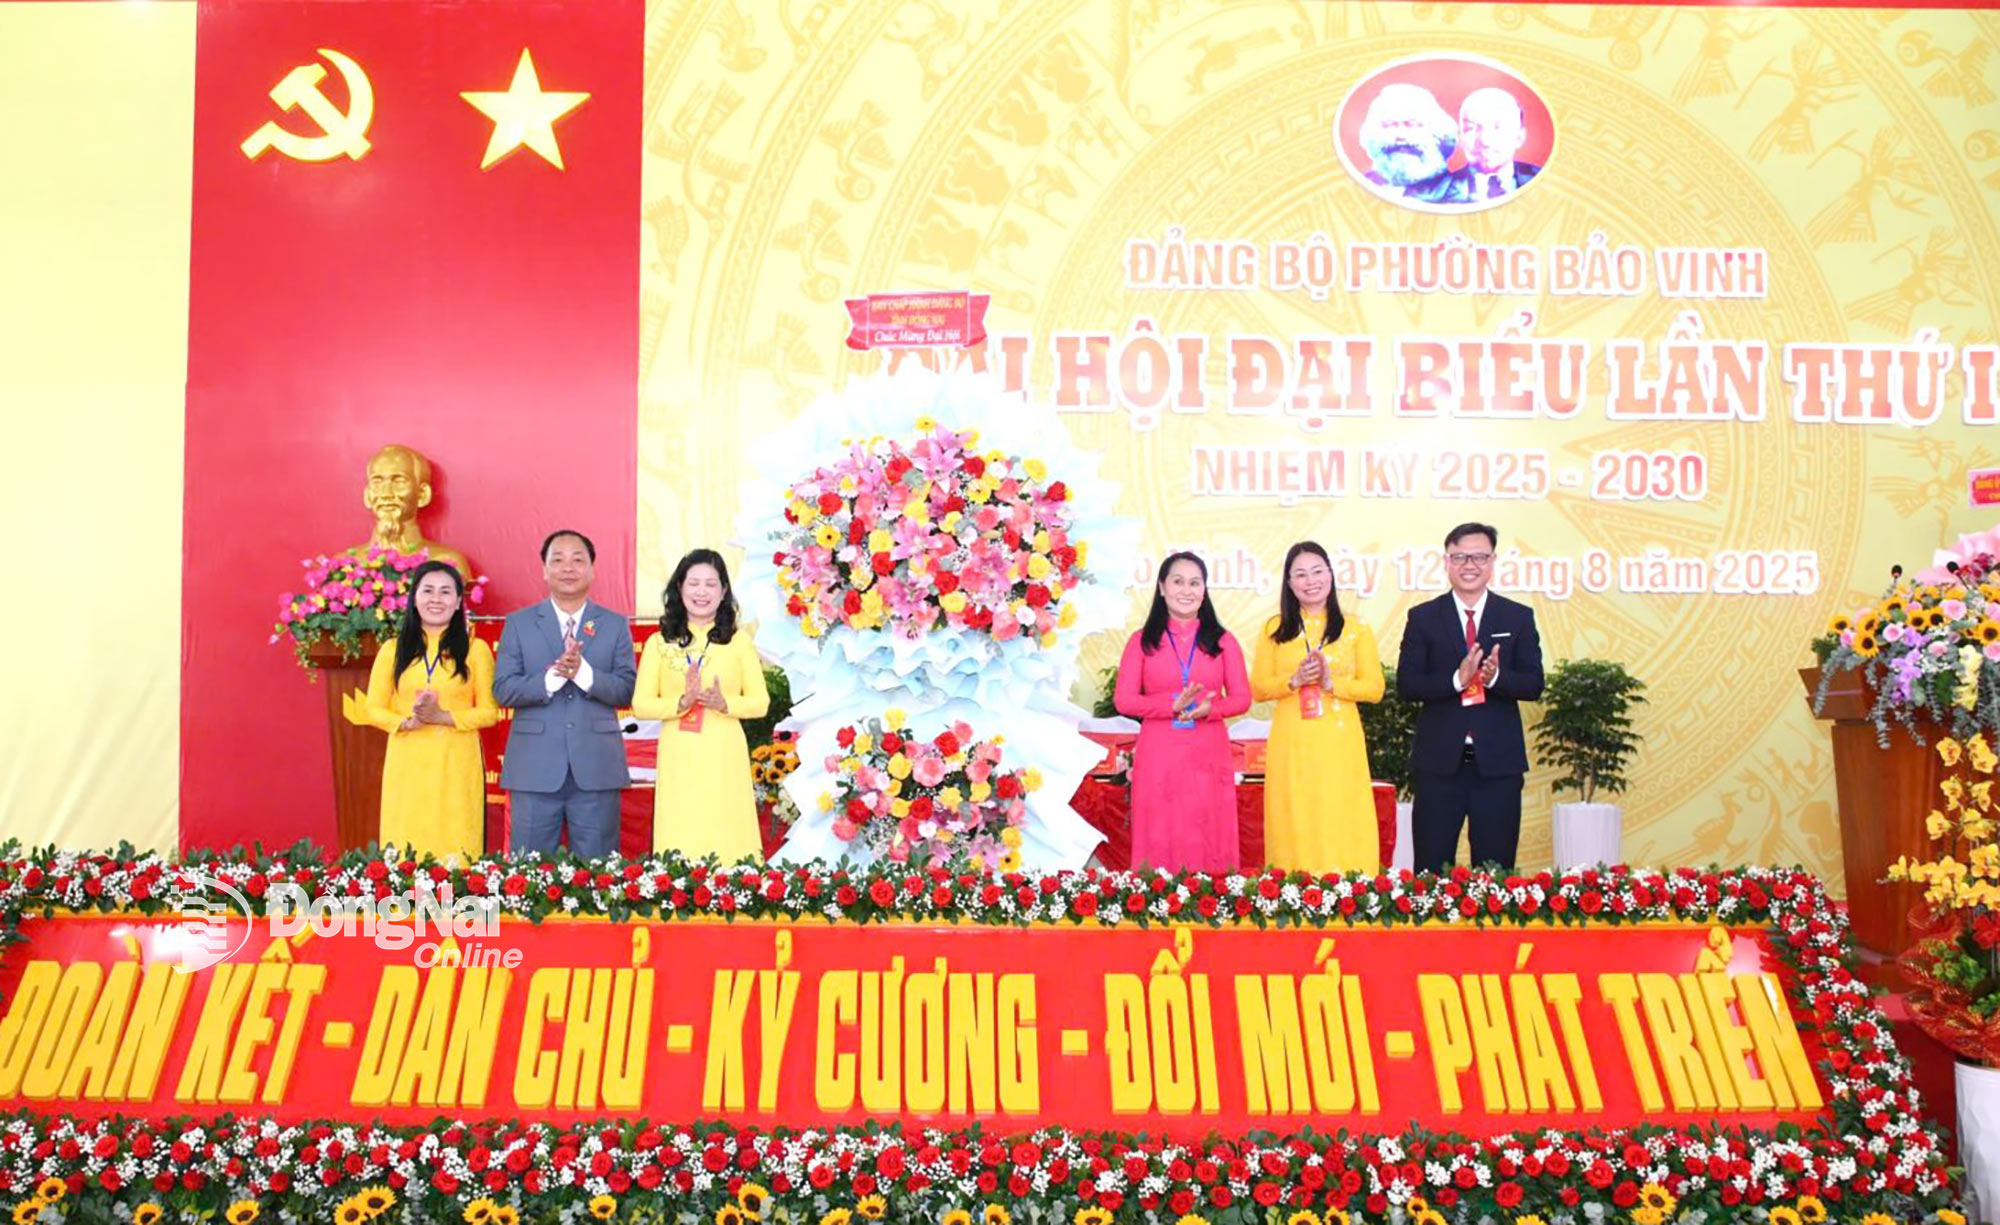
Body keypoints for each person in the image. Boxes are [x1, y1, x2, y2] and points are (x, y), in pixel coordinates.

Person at [1397, 522, 1544, 872]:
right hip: (1439, 766)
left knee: (1494, 874)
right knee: (1431, 872)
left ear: (1492, 562)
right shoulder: (1423, 617)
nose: (1469, 565)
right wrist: (1455, 680)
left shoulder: (1517, 617)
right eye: (1460, 556)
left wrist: (1496, 678)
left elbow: (1534, 683)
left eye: (1479, 556)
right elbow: (1407, 684)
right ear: (1446, 562)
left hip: (1497, 766)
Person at [494, 529, 636, 860]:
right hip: (534, 769)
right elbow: (503, 689)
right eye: (557, 560)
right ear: (544, 570)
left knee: (599, 875)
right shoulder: (519, 623)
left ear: (592, 569)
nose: (568, 567)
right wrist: (553, 677)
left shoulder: (614, 624)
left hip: (597, 768)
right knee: (527, 879)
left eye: (578, 560)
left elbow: (626, 689)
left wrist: (584, 675)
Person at [1114, 552, 1252, 872]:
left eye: (1195, 582)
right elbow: (1124, 701)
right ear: (1162, 588)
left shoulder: (1223, 641)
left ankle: (1210, 903)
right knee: (1160, 828)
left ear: (1204, 590)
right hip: (1159, 751)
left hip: (1208, 748)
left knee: (1207, 828)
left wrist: (1210, 709)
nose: (1186, 590)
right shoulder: (1142, 641)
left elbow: (1242, 698)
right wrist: (1169, 707)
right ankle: (1156, 904)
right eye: (1178, 581)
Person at [1252, 542, 1384, 873]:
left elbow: (1375, 688)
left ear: (1330, 575)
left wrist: (1332, 686)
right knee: (1295, 810)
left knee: (1340, 809)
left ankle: (1349, 889)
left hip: (1339, 740)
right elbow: (1259, 688)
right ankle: (1294, 889)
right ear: (1289, 583)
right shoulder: (1274, 629)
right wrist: (1293, 681)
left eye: (1317, 571)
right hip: (1292, 740)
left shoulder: (1356, 628)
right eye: (1300, 574)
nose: (1310, 580)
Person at [633, 549, 769, 862]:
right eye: (693, 583)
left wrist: (725, 703)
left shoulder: (739, 641)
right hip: (679, 749)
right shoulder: (659, 642)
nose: (701, 592)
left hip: (724, 749)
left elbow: (760, 703)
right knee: (682, 822)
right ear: (679, 588)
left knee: (726, 823)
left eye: (711, 584)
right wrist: (681, 702)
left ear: (724, 592)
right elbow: (640, 704)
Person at [359, 560, 498, 861]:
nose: (437, 599)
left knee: (456, 843)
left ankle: (458, 903)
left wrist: (444, 717)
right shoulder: (392, 650)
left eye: (446, 592)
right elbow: (373, 708)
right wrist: (405, 722)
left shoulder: (476, 651)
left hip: (456, 760)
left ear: (459, 601)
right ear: (414, 598)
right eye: (429, 591)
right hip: (408, 759)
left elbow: (490, 712)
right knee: (407, 843)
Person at [354, 444, 472, 575]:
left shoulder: (446, 564)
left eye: (399, 482)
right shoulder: (344, 565)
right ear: (367, 495)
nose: (386, 493)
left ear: (422, 494)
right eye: (377, 482)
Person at [1357, 82, 1461, 204]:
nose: (1400, 136)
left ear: (1438, 135)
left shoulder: (1459, 193)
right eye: (1390, 125)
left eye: (1411, 125)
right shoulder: (1359, 187)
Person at [1450, 87, 1542, 202]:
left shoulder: (1545, 179)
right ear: (1460, 137)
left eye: (1498, 127)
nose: (1484, 141)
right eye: (1471, 128)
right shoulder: (1439, 192)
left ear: (1519, 137)